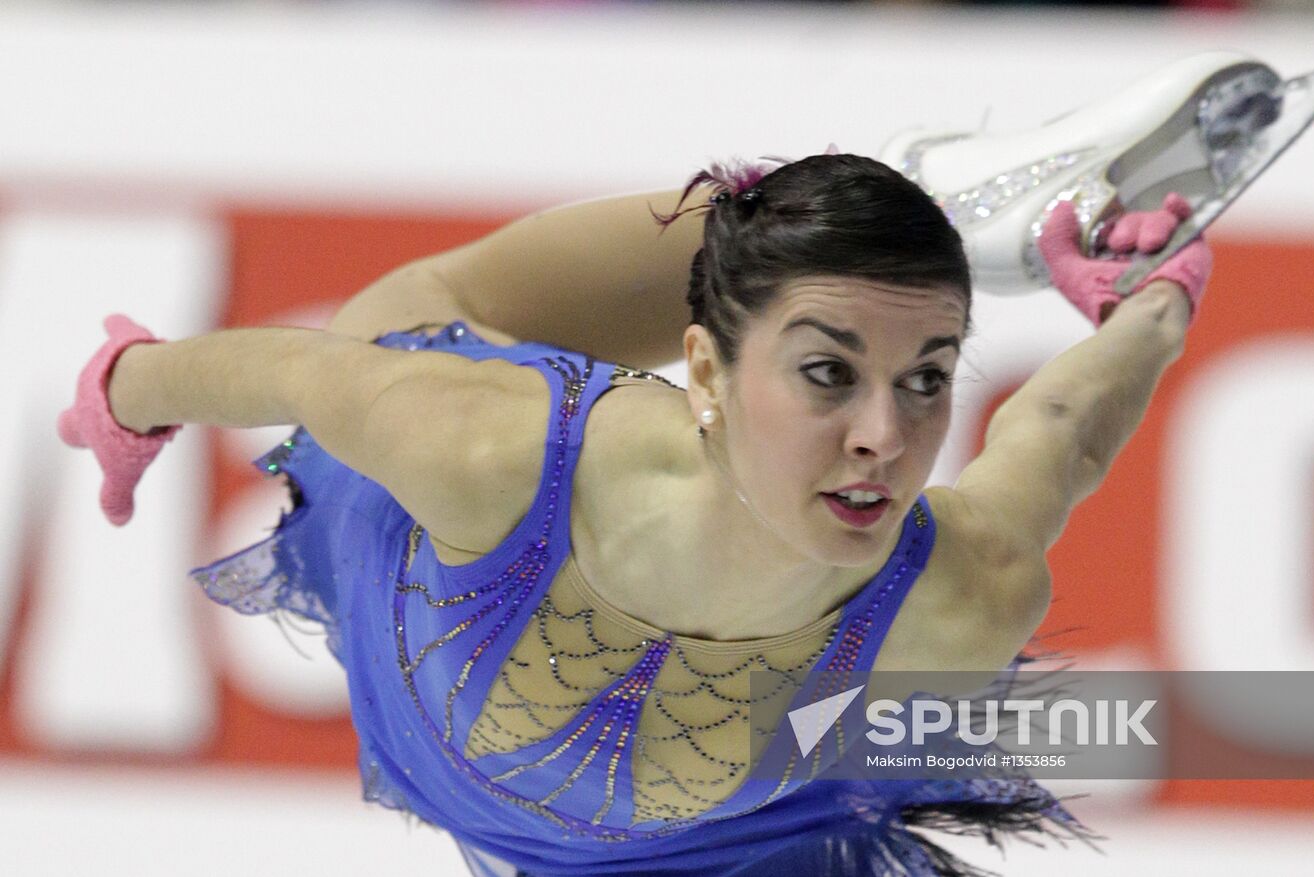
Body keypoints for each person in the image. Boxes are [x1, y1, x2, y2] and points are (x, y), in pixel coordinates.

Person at [57, 151, 1209, 876]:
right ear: (700, 372)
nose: (884, 436)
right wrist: (122, 394)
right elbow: (293, 373)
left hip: (706, 851)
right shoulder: (486, 447)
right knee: (416, 309)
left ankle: (844, 234)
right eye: (826, 376)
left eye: (927, 377)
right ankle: (835, 201)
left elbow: (1058, 433)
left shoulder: (955, 598)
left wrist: (1151, 305)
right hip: (436, 562)